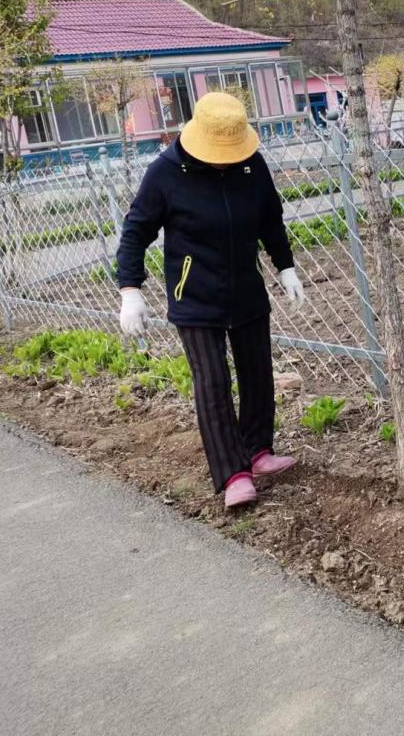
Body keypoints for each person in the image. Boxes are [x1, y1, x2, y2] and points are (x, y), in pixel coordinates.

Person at [116, 92, 307, 509]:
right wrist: (130, 290)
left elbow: (270, 217)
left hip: (246, 286)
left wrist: (284, 265)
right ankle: (233, 473)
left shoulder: (250, 164)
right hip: (195, 295)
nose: (226, 159)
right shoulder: (165, 173)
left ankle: (258, 451)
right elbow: (135, 232)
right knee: (214, 381)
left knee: (257, 371)